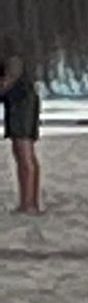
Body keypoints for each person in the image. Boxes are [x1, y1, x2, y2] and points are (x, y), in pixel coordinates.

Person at [1, 53, 41, 214]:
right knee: (21, 153)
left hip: (22, 101)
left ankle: (30, 204)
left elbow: (11, 75)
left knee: (23, 152)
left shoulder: (11, 45)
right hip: (16, 101)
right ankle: (28, 202)